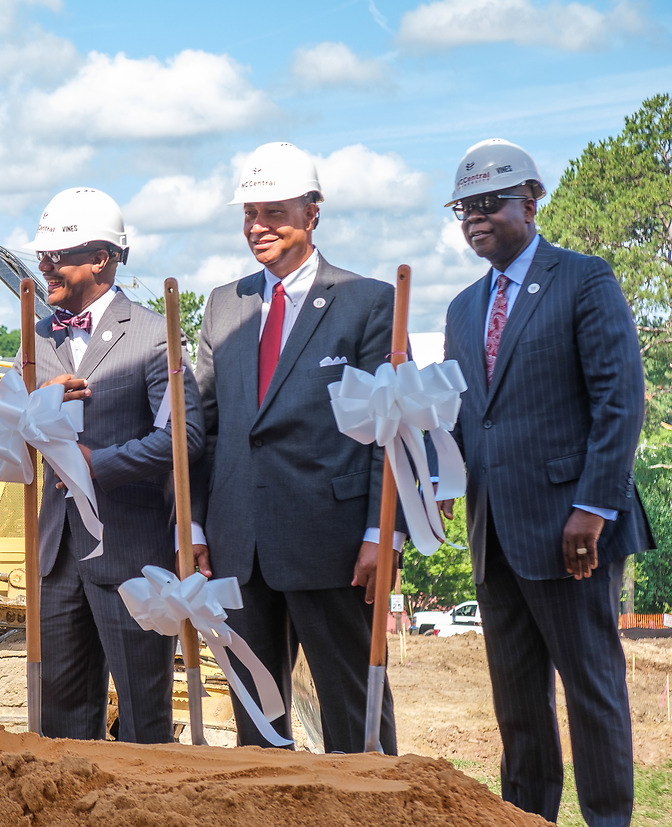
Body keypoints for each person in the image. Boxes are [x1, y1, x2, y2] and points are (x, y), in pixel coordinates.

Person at [441, 138, 653, 827]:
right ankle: (525, 817)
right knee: (519, 706)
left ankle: (609, 820)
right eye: (463, 209)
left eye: (488, 204)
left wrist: (593, 505)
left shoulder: (583, 279)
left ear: (530, 202)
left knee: (592, 692)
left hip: (572, 532)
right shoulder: (463, 308)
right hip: (494, 533)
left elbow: (619, 397)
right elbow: (465, 414)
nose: (475, 218)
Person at [190, 142, 398, 753]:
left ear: (312, 212)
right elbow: (202, 427)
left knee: (353, 719)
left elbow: (386, 431)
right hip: (236, 542)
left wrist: (378, 534)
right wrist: (196, 526)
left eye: (273, 212)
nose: (258, 227)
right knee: (255, 723)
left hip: (331, 542)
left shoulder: (368, 302)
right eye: (249, 213)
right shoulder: (224, 304)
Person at [26, 187, 204, 743]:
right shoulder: (36, 339)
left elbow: (183, 437)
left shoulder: (154, 336)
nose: (44, 265)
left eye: (57, 255)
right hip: (56, 556)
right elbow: (13, 432)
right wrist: (34, 408)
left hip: (131, 550)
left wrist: (96, 465)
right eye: (43, 255)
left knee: (142, 721)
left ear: (101, 258)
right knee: (59, 727)